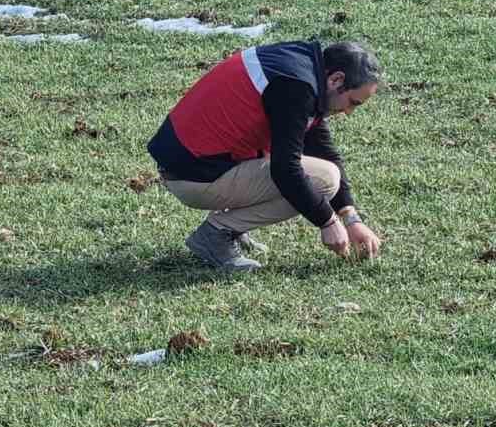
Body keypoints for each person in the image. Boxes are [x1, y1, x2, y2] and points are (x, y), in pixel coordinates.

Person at [147, 40, 383, 271]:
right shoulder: (296, 87)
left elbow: (320, 146)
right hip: (194, 177)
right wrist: (327, 222)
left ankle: (231, 228)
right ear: (336, 80)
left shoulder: (302, 66)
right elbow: (285, 170)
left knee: (323, 172)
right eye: (353, 102)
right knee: (325, 179)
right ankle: (217, 234)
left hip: (190, 164)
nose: (349, 111)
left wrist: (351, 218)